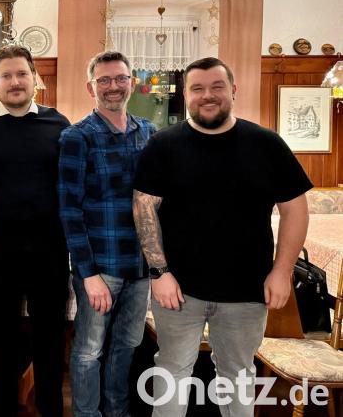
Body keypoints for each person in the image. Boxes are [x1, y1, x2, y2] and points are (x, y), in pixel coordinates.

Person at [132, 57, 312, 416]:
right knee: (172, 372)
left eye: (217, 87)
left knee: (238, 376)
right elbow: (144, 209)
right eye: (197, 88)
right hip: (178, 290)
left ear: (233, 90)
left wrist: (282, 272)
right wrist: (159, 272)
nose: (207, 95)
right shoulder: (163, 145)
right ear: (186, 95)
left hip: (247, 290)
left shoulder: (266, 144)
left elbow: (295, 209)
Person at [0, 45, 71, 417]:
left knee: (51, 344)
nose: (15, 82)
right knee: (2, 346)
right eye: (6, 75)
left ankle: (51, 411)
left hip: (50, 253)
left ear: (34, 78)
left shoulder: (58, 124)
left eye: (22, 74)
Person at [59, 51, 157, 417]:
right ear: (91, 87)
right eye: (104, 80)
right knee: (88, 351)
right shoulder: (77, 137)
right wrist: (88, 275)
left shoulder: (148, 133)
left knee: (126, 346)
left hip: (141, 267)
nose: (113, 86)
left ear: (132, 83)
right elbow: (69, 210)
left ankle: (117, 411)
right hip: (100, 267)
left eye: (120, 78)